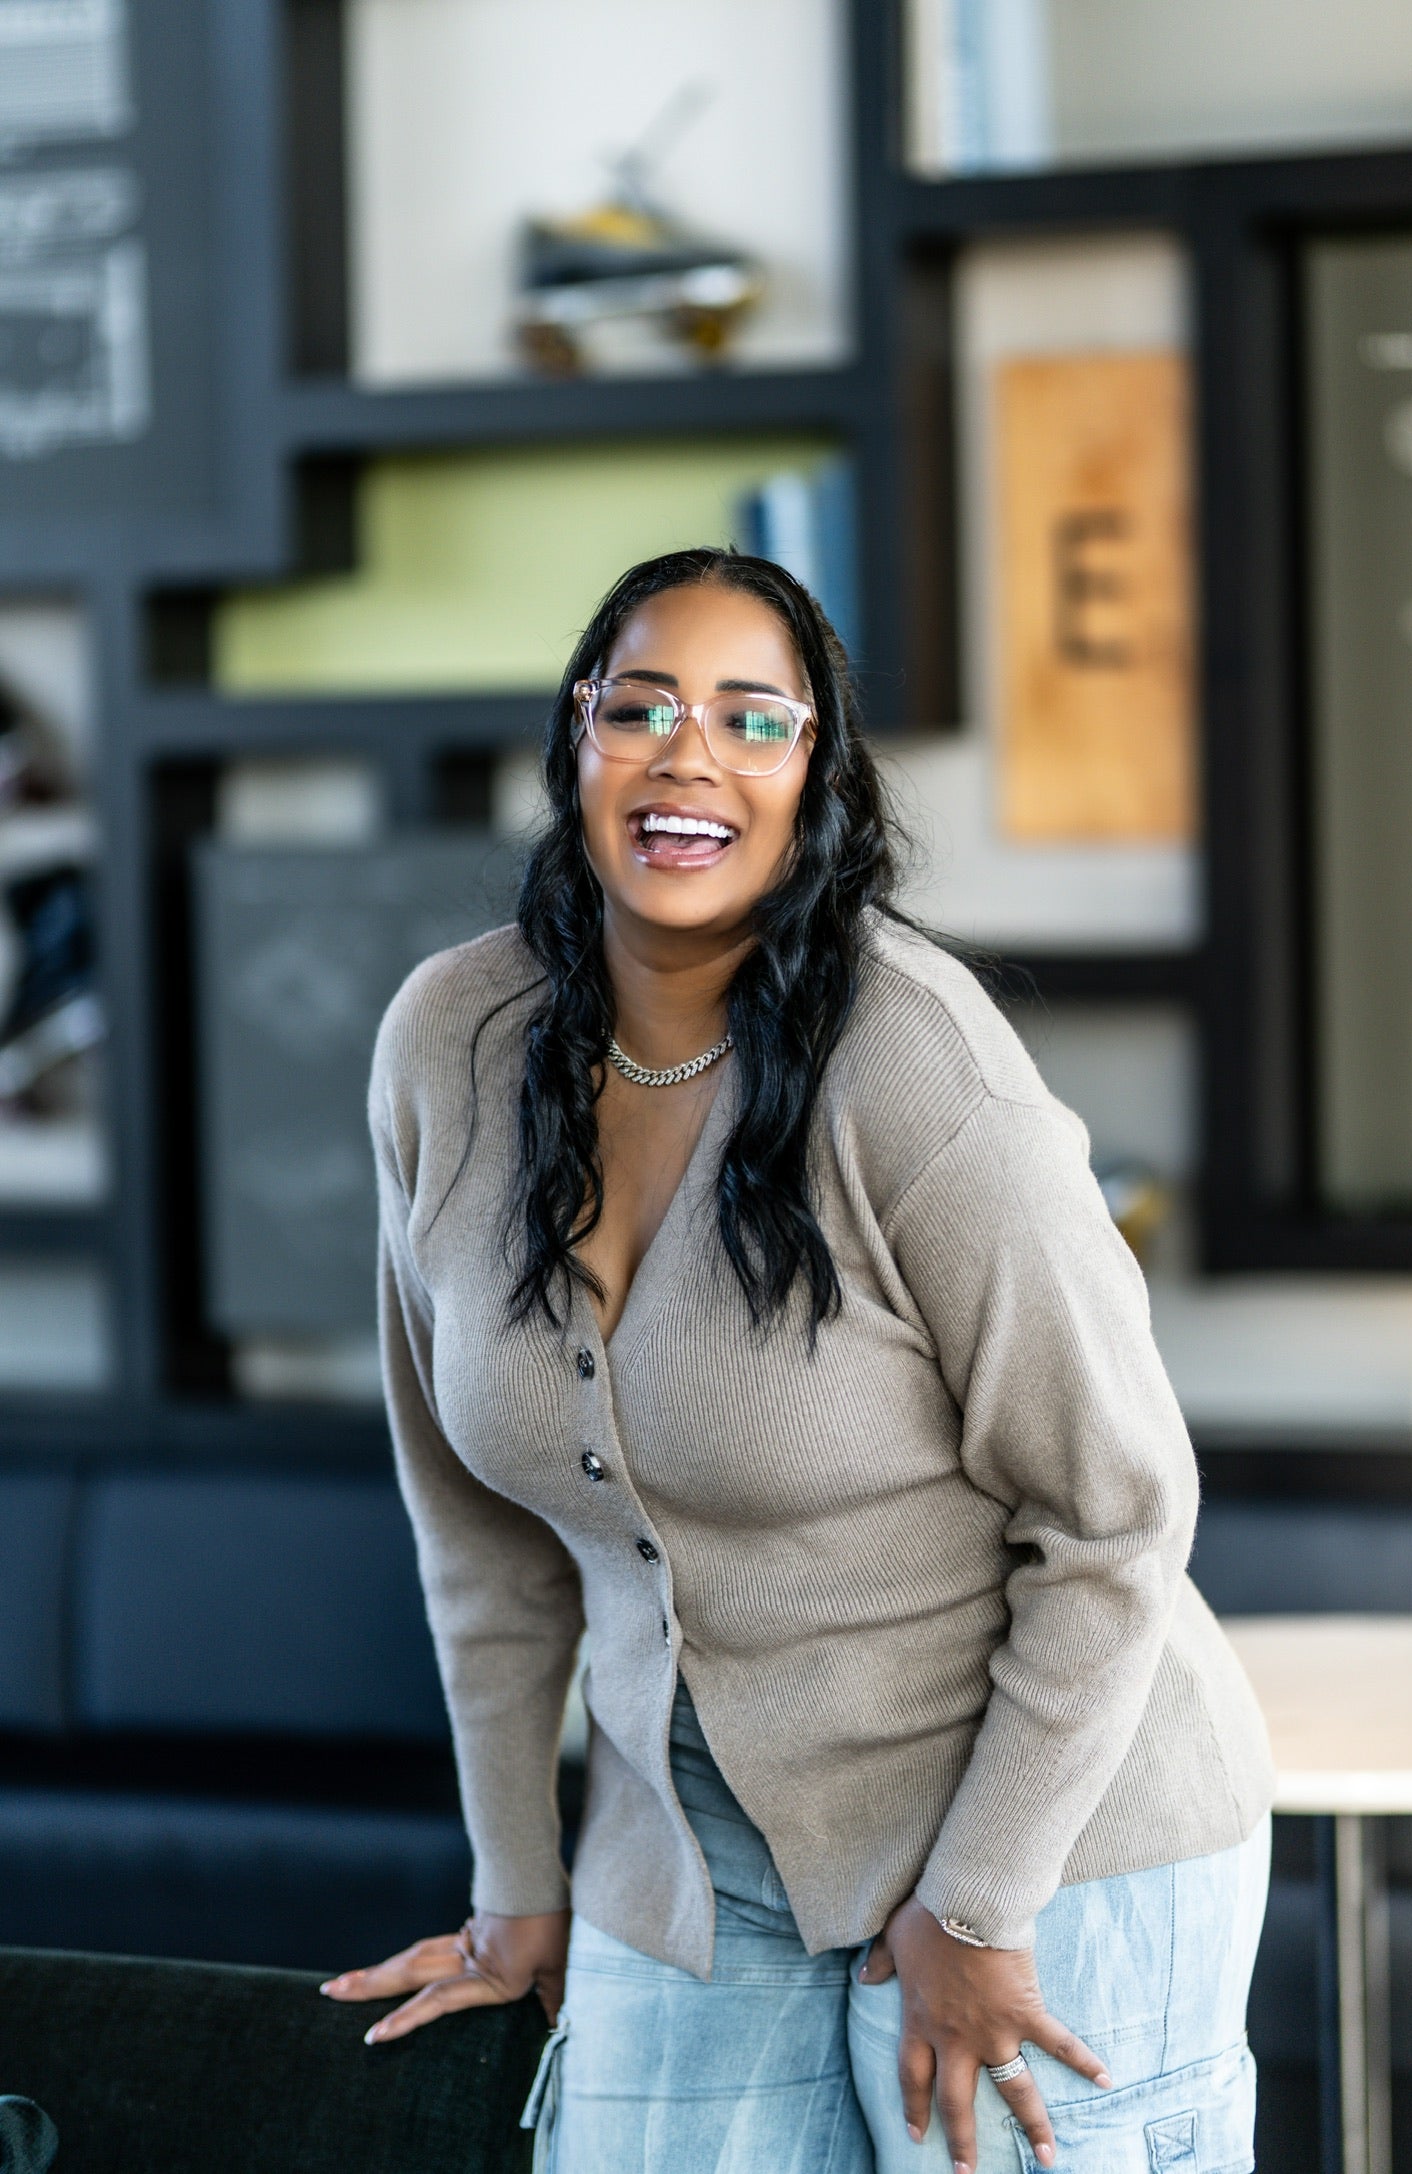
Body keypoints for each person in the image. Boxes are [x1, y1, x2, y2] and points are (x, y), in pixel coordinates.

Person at [322, 548, 1274, 2174]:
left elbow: (1116, 1512)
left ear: (816, 769)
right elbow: (479, 1537)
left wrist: (977, 1905)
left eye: (753, 719)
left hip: (1049, 1833)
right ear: (578, 736)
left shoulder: (917, 1060)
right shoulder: (448, 1043)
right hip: (690, 1847)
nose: (688, 756)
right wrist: (517, 1882)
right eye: (643, 708)